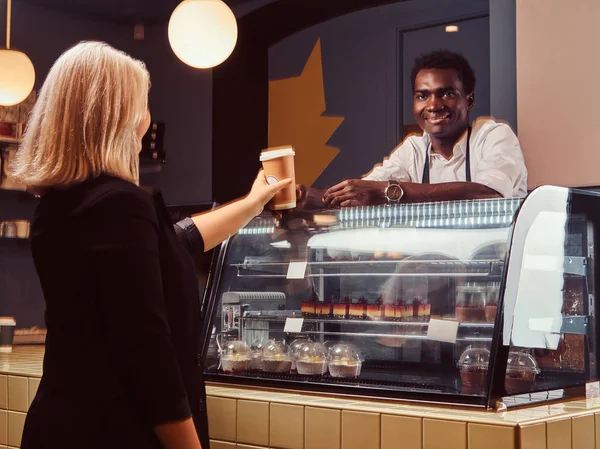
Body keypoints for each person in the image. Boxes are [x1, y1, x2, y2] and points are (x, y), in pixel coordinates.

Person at [10, 41, 291, 449]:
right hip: (116, 433)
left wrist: (250, 206)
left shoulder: (60, 206)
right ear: (116, 117)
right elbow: (148, 356)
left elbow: (177, 242)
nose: (146, 121)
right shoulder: (120, 205)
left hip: (60, 427)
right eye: (142, 106)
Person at [298, 50, 527, 209]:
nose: (434, 105)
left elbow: (490, 192)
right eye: (422, 95)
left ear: (469, 100)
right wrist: (305, 195)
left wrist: (387, 191)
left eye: (447, 93)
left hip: (496, 267)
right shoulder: (413, 149)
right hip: (432, 266)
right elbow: (365, 191)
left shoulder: (492, 136)